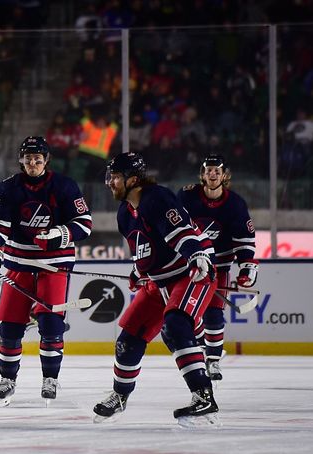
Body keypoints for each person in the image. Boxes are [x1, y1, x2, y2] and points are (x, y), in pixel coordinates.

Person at [93, 152, 220, 428]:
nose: (109, 182)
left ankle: (203, 396)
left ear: (133, 180)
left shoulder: (157, 198)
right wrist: (138, 271)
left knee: (174, 325)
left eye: (115, 177)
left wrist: (197, 255)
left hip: (189, 273)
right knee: (127, 340)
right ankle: (120, 395)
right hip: (158, 282)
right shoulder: (124, 213)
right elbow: (144, 247)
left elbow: (181, 233)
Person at [0, 136, 93, 407]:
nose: (32, 162)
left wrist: (60, 234)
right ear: (21, 159)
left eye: (38, 157)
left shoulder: (64, 185)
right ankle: (7, 380)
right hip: (19, 264)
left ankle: (50, 379)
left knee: (51, 326)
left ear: (46, 160)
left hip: (54, 264)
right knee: (10, 327)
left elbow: (85, 223)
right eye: (28, 157)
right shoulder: (9, 187)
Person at [177, 154, 258, 380]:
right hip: (189, 266)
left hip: (218, 267)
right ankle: (203, 349)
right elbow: (170, 227)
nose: (212, 174)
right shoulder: (186, 196)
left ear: (224, 175)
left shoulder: (235, 204)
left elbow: (244, 239)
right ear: (202, 174)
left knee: (213, 316)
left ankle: (212, 360)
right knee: (185, 316)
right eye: (208, 170)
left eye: (216, 171)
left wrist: (246, 267)